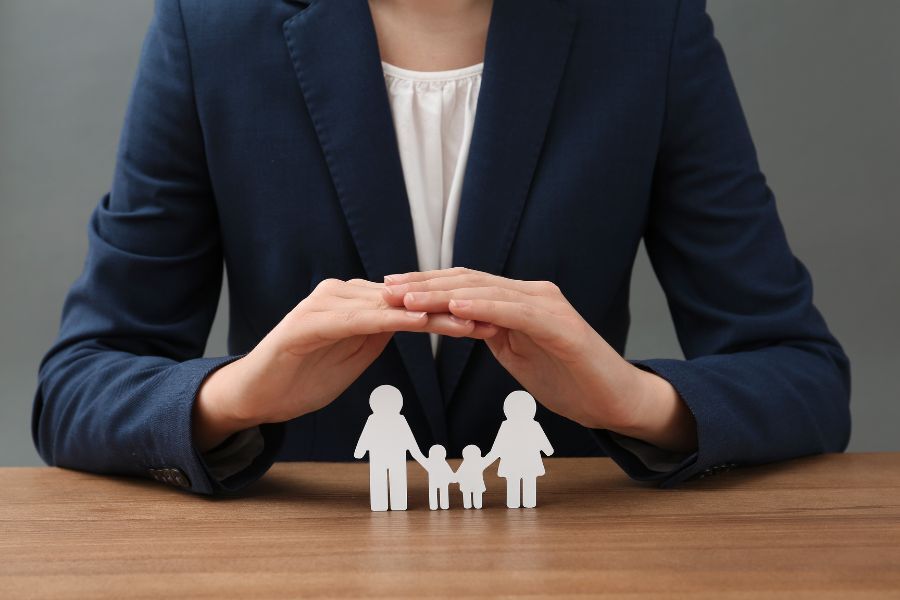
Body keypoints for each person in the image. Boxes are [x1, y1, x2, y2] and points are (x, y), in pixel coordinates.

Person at [33, 0, 850, 496]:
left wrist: (630, 401)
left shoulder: (648, 27)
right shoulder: (208, 28)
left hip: (572, 557)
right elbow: (75, 389)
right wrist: (242, 395)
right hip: (299, 566)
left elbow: (805, 378)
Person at [353, 385, 426, 511]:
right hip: (381, 457)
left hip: (393, 457)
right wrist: (360, 450)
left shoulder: (399, 419)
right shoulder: (373, 419)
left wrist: (360, 451)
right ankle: (380, 503)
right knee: (379, 479)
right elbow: (366, 435)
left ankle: (397, 503)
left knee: (396, 478)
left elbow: (409, 439)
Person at [483, 392, 554, 509]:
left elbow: (497, 449)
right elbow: (497, 448)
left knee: (518, 481)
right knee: (521, 481)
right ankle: (523, 501)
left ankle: (518, 502)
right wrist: (548, 450)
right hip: (527, 462)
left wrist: (485, 462)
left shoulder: (511, 426)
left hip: (514, 462)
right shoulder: (531, 425)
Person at [421, 445, 456, 510]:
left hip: (440, 482)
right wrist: (453, 477)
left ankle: (442, 505)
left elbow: (448, 471)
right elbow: (449, 472)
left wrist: (453, 477)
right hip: (437, 482)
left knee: (439, 492)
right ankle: (438, 505)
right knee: (437, 492)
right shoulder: (435, 462)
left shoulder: (441, 462)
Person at [455, 445, 490, 510]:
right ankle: (471, 504)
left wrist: (455, 478)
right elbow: (459, 473)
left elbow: (459, 474)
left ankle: (475, 504)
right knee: (469, 494)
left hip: (472, 484)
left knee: (474, 494)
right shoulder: (467, 463)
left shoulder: (479, 462)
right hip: (469, 484)